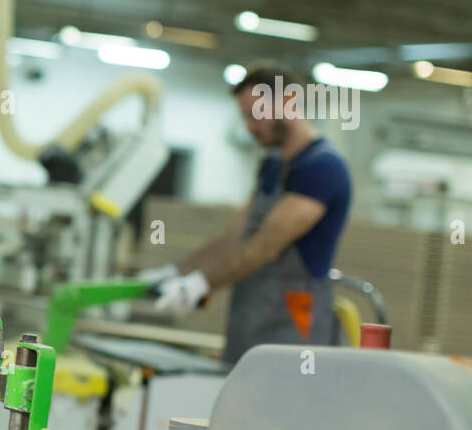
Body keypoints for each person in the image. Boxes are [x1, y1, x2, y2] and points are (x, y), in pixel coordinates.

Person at [148, 60, 352, 365]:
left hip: (294, 324)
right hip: (254, 315)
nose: (249, 127)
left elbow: (265, 246)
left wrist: (201, 284)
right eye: (244, 116)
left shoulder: (322, 168)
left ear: (288, 100)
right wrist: (179, 272)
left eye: (254, 114)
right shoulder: (272, 165)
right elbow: (235, 238)